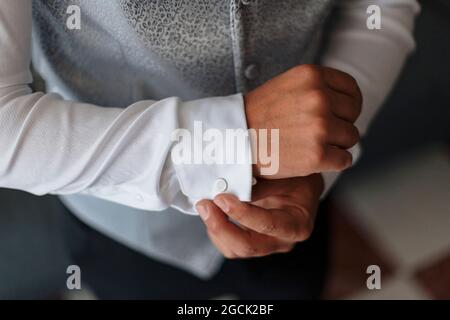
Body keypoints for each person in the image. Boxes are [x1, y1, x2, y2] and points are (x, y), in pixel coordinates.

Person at [0, 0, 419, 299]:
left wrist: (319, 156)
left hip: (300, 204)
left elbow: (383, 8)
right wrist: (239, 140)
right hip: (126, 228)